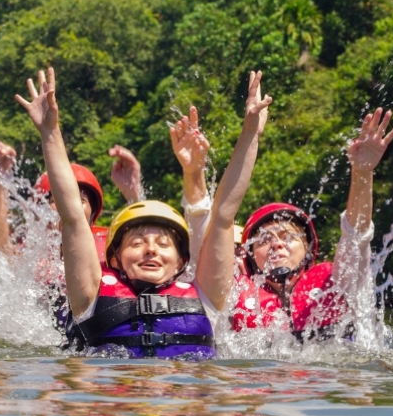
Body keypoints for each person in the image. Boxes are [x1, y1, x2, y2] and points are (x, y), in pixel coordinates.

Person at [16, 67, 271, 358]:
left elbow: (225, 214)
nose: (151, 250)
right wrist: (50, 132)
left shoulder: (205, 298)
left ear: (181, 263)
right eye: (137, 243)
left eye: (163, 245)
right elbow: (73, 216)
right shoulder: (90, 297)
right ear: (114, 259)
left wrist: (250, 133)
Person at [231, 108, 393, 339]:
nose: (277, 245)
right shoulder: (234, 296)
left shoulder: (337, 280)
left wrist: (362, 173)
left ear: (308, 250)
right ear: (249, 255)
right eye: (264, 240)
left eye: (288, 237)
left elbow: (356, 236)